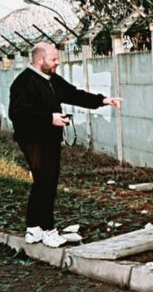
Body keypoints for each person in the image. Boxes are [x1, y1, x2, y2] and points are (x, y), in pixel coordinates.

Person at [8, 42, 122, 246]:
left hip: (49, 138)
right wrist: (49, 118)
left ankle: (34, 229)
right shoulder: (24, 83)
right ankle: (49, 231)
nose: (57, 63)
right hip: (33, 140)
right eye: (53, 59)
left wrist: (103, 100)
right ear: (40, 59)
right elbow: (18, 114)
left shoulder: (51, 79)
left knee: (42, 182)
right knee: (46, 182)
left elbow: (73, 94)